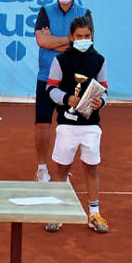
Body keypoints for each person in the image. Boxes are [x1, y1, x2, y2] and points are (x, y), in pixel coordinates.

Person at [44, 16, 109, 234]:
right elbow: (51, 89)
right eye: (79, 36)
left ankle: (94, 214)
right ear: (72, 37)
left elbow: (105, 90)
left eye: (87, 36)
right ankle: (56, 211)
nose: (83, 39)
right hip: (66, 124)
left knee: (91, 169)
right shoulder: (60, 60)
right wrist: (67, 99)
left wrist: (102, 101)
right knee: (62, 168)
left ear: (92, 36)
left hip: (91, 125)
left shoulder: (99, 60)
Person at [33, 0, 91, 183]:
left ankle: (63, 169)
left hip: (72, 79)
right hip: (46, 76)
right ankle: (41, 168)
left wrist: (54, 40)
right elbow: (41, 41)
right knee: (42, 123)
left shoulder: (84, 13)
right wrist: (69, 40)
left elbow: (86, 43)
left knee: (68, 126)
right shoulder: (45, 11)